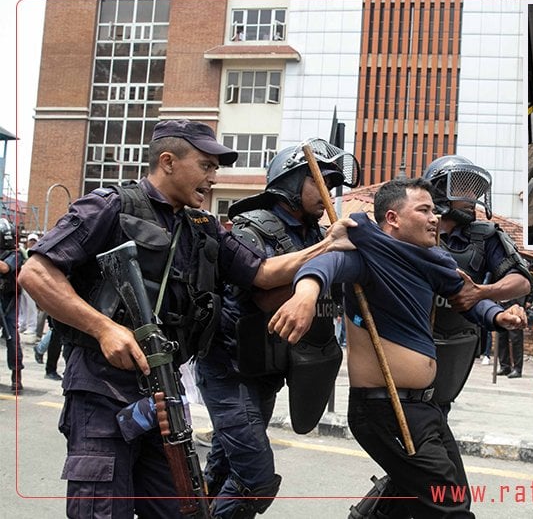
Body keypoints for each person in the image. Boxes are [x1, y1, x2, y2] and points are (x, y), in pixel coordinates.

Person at [19, 119, 356, 518]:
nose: (213, 177)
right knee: (102, 507)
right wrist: (104, 328)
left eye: (216, 168)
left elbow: (262, 273)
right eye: (206, 166)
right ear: (168, 162)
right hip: (102, 384)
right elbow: (36, 273)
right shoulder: (111, 205)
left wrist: (325, 247)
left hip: (163, 392)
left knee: (183, 508)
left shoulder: (203, 227)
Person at [268, 177, 525, 519]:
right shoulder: (366, 259)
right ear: (393, 218)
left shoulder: (432, 262)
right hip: (386, 408)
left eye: (434, 210)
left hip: (427, 408)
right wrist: (305, 295)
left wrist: (498, 316)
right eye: (424, 210)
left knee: (416, 498)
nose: (435, 218)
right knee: (450, 507)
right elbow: (326, 265)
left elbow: (465, 297)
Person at [197, 141, 354, 517]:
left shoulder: (315, 234)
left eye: (332, 185)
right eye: (319, 183)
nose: (328, 194)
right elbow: (267, 298)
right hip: (229, 370)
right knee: (256, 480)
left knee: (222, 471)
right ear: (290, 182)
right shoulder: (251, 230)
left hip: (266, 372)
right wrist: (325, 267)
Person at [423, 155, 533, 399]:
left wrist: (483, 293)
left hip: (458, 340)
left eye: (474, 190)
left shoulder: (484, 236)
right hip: (413, 341)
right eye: (462, 187)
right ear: (439, 190)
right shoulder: (414, 231)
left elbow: (522, 281)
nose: (472, 197)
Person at [0, 219, 23, 393]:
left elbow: (5, 268)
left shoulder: (16, 254)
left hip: (9, 302)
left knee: (12, 338)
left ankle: (16, 375)